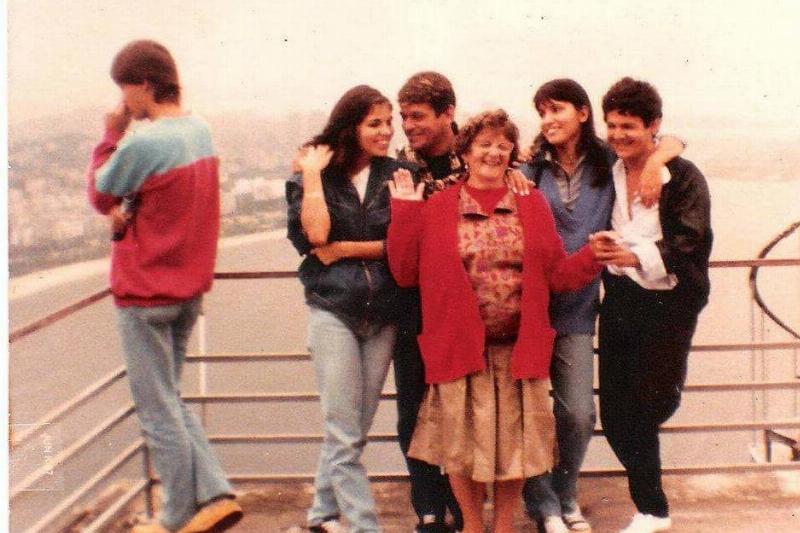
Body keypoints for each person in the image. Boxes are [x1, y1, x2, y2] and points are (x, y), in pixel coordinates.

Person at [387, 109, 606, 533]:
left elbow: (557, 274)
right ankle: (471, 523)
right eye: (484, 144)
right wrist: (405, 213)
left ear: (512, 153)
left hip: (517, 348)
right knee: (459, 446)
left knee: (517, 448)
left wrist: (593, 254)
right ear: (465, 151)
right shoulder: (438, 206)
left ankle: (503, 523)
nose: (494, 152)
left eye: (503, 145)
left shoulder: (531, 203)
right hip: (458, 348)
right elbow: (404, 271)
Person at [86, 40, 243, 533]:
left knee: (157, 412)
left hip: (144, 293)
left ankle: (177, 516)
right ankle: (215, 492)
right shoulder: (200, 132)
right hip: (187, 290)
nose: (123, 100)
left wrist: (110, 135)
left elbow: (99, 192)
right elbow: (166, 205)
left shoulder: (143, 141)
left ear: (145, 84)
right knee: (169, 399)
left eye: (125, 88)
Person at [519, 79, 685, 533]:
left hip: (579, 309)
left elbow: (669, 139)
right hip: (530, 310)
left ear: (582, 113)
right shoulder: (529, 170)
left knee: (578, 413)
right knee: (532, 414)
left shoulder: (607, 163)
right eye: (542, 113)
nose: (548, 120)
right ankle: (546, 505)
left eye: (557, 110)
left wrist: (656, 162)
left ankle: (566, 491)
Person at [592, 77, 712, 533]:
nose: (619, 135)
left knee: (652, 403)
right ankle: (652, 508)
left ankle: (652, 509)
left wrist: (631, 255)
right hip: (621, 299)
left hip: (669, 303)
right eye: (613, 126)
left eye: (630, 127)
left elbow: (690, 242)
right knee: (615, 413)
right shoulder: (610, 166)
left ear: (654, 126)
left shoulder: (681, 176)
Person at [285, 85, 405, 533]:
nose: (386, 131)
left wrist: (347, 249)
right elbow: (315, 238)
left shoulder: (399, 175)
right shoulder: (312, 177)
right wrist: (314, 175)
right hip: (332, 309)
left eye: (388, 122)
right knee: (343, 429)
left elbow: (405, 247)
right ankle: (363, 526)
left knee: (353, 427)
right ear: (350, 127)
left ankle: (320, 515)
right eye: (375, 123)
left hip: (383, 313)